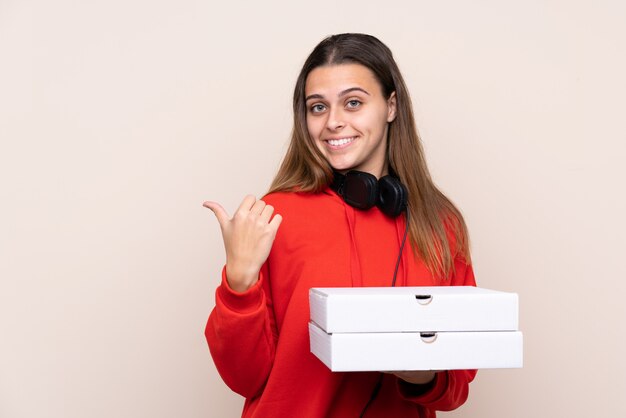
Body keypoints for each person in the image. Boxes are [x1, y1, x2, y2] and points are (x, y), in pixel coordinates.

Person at [203, 33, 476, 418]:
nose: (333, 122)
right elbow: (243, 377)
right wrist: (240, 282)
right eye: (317, 107)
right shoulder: (273, 215)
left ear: (391, 106)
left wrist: (420, 373)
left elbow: (455, 388)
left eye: (353, 103)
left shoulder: (440, 224)